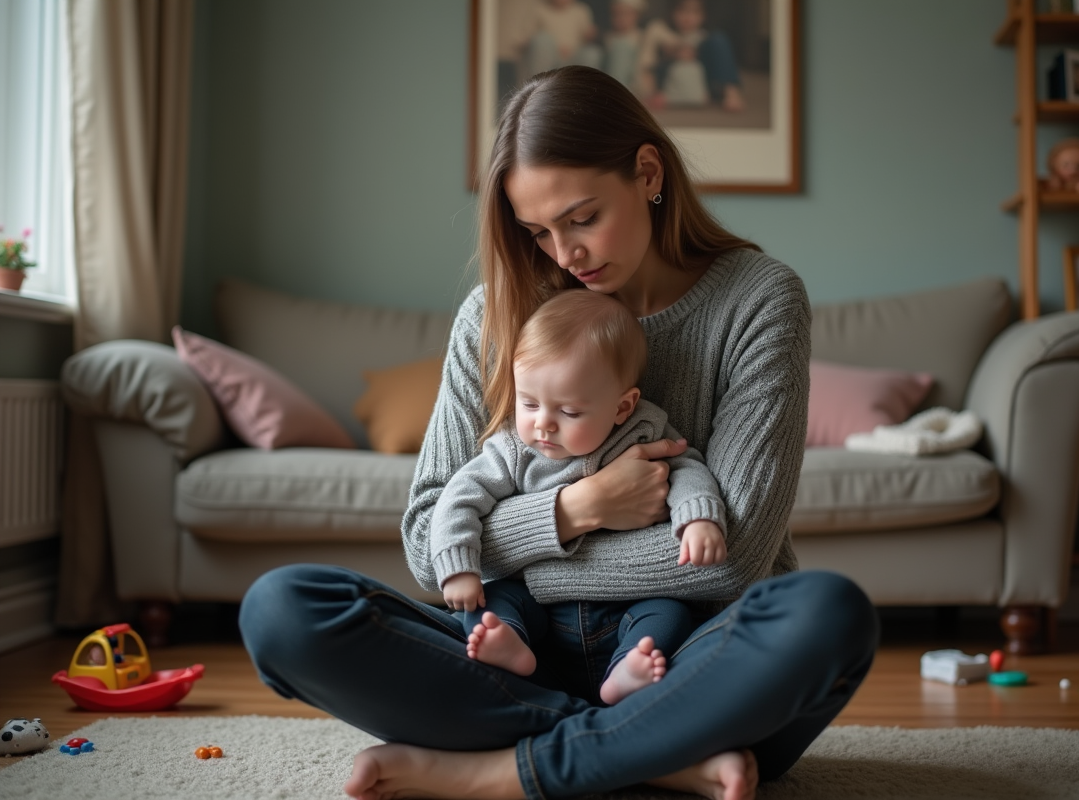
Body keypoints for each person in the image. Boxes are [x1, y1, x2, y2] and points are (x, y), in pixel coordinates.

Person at [239, 65, 878, 800]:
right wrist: (578, 511)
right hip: (510, 651)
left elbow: (729, 565)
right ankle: (653, 754)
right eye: (539, 231)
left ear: (647, 173)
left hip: (678, 655)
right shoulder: (494, 313)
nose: (565, 254)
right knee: (282, 612)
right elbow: (426, 544)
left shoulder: (759, 299)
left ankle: (496, 771)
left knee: (828, 615)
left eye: (581, 218)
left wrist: (520, 558)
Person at [434, 288, 727, 704]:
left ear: (622, 407)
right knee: (489, 601)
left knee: (670, 612)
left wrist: (699, 518)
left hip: (627, 602)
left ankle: (630, 666)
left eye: (569, 412)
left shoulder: (640, 433)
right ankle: (509, 643)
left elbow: (686, 468)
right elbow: (459, 498)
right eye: (529, 403)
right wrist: (458, 566)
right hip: (538, 609)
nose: (543, 425)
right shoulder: (512, 451)